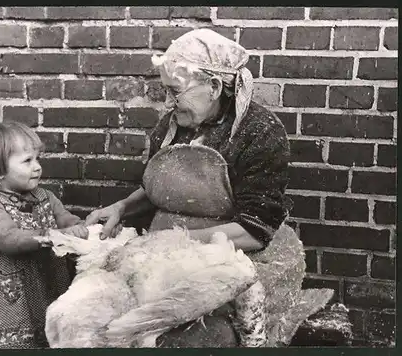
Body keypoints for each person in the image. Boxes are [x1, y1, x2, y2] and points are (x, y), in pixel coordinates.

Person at [85, 28, 293, 347]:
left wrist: (169, 243)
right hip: (166, 256)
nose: (169, 102)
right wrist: (123, 207)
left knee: (192, 340)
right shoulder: (172, 126)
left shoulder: (259, 133)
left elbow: (254, 231)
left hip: (234, 265)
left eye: (175, 91)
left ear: (213, 86)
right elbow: (160, 190)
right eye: (165, 91)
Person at [0, 120, 89, 349]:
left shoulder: (45, 196)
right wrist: (55, 234)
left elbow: (66, 220)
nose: (37, 167)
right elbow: (9, 240)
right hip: (8, 295)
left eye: (37, 159)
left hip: (46, 283)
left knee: (50, 337)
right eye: (27, 161)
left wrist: (83, 228)